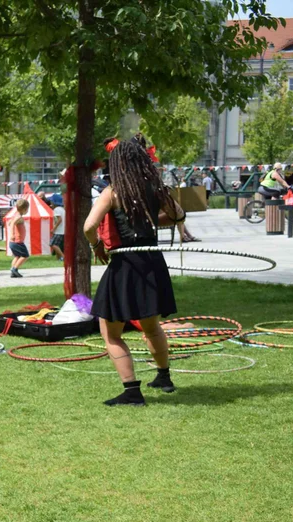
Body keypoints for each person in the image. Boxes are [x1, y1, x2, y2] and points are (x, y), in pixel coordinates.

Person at [84, 135, 181, 407]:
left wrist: (97, 246)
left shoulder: (112, 192)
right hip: (152, 262)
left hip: (126, 264)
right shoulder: (155, 188)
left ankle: (131, 391)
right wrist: (148, 222)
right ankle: (164, 377)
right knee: (151, 325)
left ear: (117, 163)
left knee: (111, 331)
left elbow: (88, 227)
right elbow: (178, 214)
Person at [7, 198, 31, 278]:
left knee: (17, 256)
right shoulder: (19, 217)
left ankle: (12, 271)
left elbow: (10, 222)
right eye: (27, 209)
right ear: (24, 209)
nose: (27, 211)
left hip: (13, 242)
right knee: (25, 255)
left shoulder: (15, 215)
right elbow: (13, 223)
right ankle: (15, 269)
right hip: (17, 241)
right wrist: (12, 234)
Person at [49, 195, 65, 261]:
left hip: (59, 231)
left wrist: (54, 228)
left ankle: (63, 257)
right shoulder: (62, 209)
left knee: (52, 244)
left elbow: (59, 219)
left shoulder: (56, 210)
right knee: (57, 245)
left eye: (51, 202)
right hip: (63, 230)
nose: (50, 203)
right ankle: (58, 258)